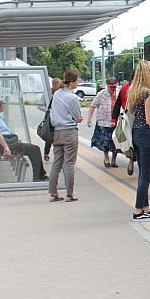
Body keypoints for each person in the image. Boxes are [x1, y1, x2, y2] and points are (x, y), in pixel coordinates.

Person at [127, 60, 150, 220]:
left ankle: (146, 208)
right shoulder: (147, 92)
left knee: (143, 172)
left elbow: (132, 113)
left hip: (136, 133)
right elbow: (149, 120)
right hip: (147, 134)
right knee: (146, 174)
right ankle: (137, 210)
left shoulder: (133, 91)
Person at [0, 100, 48, 182]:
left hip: (4, 144)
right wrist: (6, 147)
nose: (4, 105)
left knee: (33, 148)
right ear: (0, 105)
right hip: (4, 146)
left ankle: (40, 175)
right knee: (34, 149)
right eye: (4, 103)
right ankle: (38, 177)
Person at [48, 69, 83, 202]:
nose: (78, 83)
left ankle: (53, 193)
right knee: (69, 163)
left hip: (57, 132)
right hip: (69, 132)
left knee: (57, 162)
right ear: (72, 82)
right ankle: (69, 194)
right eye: (77, 80)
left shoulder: (56, 94)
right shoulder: (72, 97)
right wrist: (77, 119)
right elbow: (78, 117)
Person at [88, 77, 119, 168]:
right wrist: (89, 118)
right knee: (105, 141)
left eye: (114, 87)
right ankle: (106, 157)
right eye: (111, 87)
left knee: (116, 141)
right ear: (107, 86)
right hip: (103, 121)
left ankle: (114, 159)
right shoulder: (101, 94)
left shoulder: (118, 93)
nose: (113, 89)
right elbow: (93, 105)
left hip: (116, 121)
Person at [112, 72, 134, 175]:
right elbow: (118, 104)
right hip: (127, 118)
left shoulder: (145, 88)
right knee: (128, 141)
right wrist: (114, 119)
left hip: (138, 120)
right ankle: (131, 160)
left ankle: (132, 161)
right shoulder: (125, 88)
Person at [37, 78, 63, 161]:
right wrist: (48, 110)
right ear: (54, 85)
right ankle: (46, 153)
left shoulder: (62, 93)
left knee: (59, 137)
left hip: (60, 118)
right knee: (49, 137)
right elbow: (40, 105)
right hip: (50, 118)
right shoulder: (47, 94)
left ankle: (58, 156)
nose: (60, 87)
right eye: (59, 85)